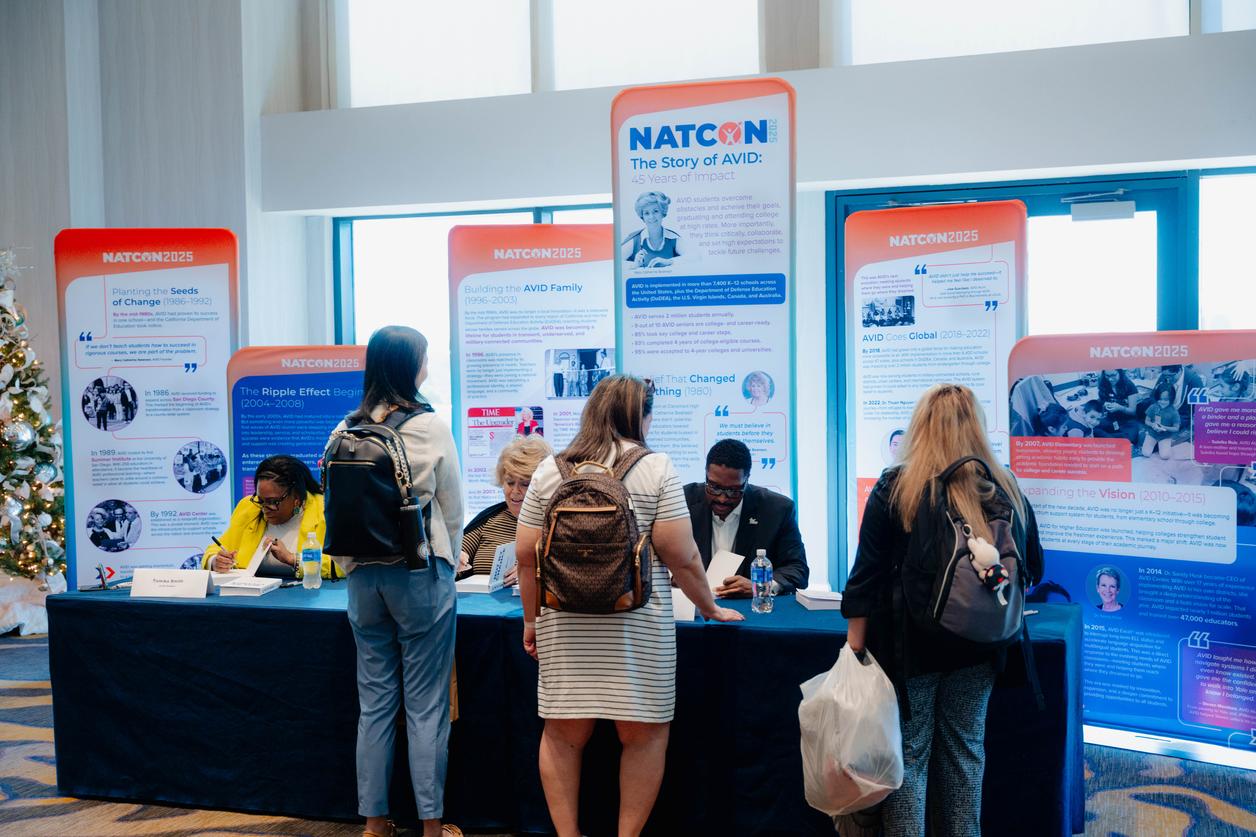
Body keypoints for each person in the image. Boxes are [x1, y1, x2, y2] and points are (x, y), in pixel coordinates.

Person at [515, 374, 742, 837]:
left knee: (562, 738)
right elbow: (681, 555)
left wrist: (531, 619)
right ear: (641, 416)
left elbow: (525, 555)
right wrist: (712, 608)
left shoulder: (550, 469)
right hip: (636, 628)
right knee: (643, 737)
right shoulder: (655, 467)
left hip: (564, 624)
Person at [841, 383, 1043, 836]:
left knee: (909, 755)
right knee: (965, 750)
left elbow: (866, 575)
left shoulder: (898, 487)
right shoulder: (1005, 486)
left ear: (920, 427)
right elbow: (1033, 567)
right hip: (983, 645)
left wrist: (854, 650)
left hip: (912, 646)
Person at [324, 325, 464, 837]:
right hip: (418, 575)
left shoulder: (344, 428)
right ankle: (431, 828)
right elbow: (452, 511)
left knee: (375, 702)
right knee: (427, 706)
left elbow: (335, 506)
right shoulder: (430, 427)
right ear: (413, 367)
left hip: (362, 579)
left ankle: (374, 824)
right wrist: (451, 561)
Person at [683, 438, 809, 596]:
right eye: (714, 487)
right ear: (706, 474)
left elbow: (798, 569)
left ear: (747, 479)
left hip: (752, 609)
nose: (722, 498)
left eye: (733, 490)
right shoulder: (683, 501)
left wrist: (761, 586)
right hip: (694, 605)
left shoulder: (776, 509)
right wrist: (673, 575)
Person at [202, 455, 333, 579]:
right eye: (261, 500)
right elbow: (215, 549)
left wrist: (293, 559)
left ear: (297, 497)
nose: (265, 508)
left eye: (273, 502)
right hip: (251, 597)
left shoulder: (326, 511)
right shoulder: (249, 507)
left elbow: (341, 564)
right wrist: (215, 561)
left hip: (309, 597)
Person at [458, 435, 552, 579]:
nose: (515, 491)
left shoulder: (556, 525)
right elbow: (458, 556)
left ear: (543, 486)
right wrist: (455, 560)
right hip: (480, 601)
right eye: (509, 482)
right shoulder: (488, 520)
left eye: (525, 484)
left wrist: (533, 569)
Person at [621, 191, 684, 268]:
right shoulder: (636, 240)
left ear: (663, 212)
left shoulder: (673, 238)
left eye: (656, 211)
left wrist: (669, 262)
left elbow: (695, 256)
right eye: (647, 213)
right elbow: (616, 262)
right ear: (642, 216)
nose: (651, 217)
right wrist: (634, 265)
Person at [1095, 369, 1140, 442]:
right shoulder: (1104, 383)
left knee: (1130, 437)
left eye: (1113, 375)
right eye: (1107, 376)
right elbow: (1101, 401)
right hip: (1112, 419)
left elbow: (1132, 411)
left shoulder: (1129, 385)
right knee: (1093, 426)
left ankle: (1108, 438)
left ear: (1120, 373)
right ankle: (1114, 439)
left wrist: (1120, 408)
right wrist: (1104, 404)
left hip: (1128, 420)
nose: (1110, 379)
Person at [1142, 385, 1180, 458]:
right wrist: (1152, 425)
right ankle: (1154, 443)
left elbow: (1176, 428)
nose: (1162, 402)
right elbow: (1146, 421)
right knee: (1146, 453)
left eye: (1166, 400)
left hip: (1165, 436)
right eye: (1160, 399)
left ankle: (1161, 444)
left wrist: (1164, 427)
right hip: (1152, 434)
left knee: (1165, 456)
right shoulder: (1153, 407)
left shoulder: (1174, 412)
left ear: (1171, 399)